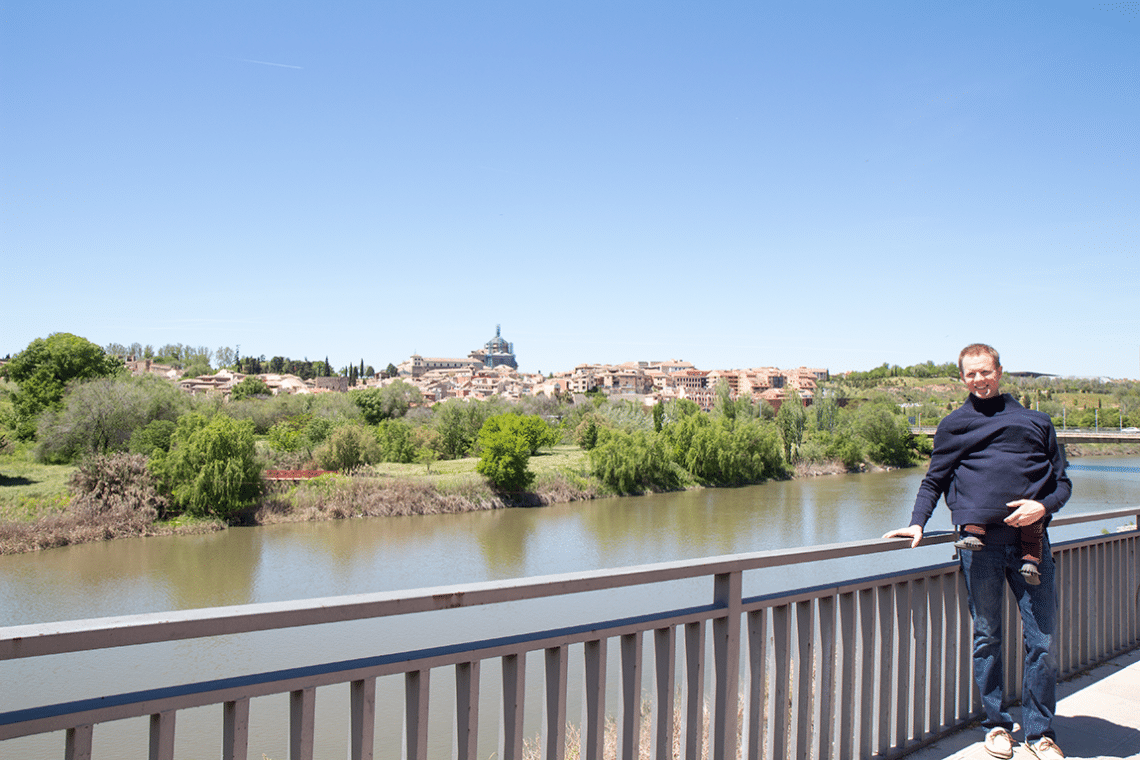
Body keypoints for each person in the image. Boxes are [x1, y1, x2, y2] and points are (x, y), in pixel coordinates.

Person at [883, 343, 1070, 760]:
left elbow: (1062, 485)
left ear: (1000, 372)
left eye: (985, 372)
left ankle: (1040, 733)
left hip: (1031, 545)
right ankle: (997, 725)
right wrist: (918, 522)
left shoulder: (1036, 422)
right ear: (962, 378)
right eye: (970, 375)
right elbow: (934, 480)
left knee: (1042, 641)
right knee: (987, 636)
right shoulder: (954, 425)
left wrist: (1042, 505)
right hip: (978, 547)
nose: (979, 380)